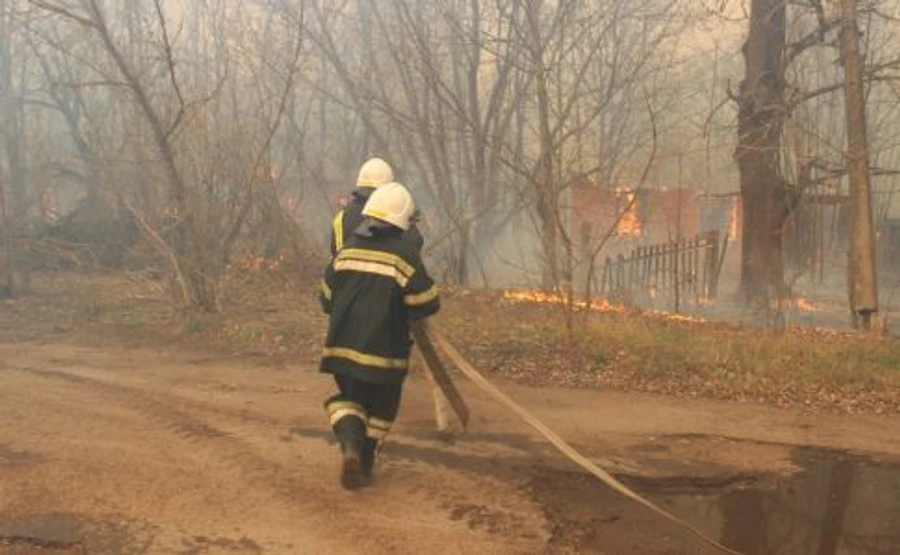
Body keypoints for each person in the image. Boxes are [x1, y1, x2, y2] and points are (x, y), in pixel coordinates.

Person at [319, 182, 440, 489]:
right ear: (402, 220)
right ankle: (365, 459)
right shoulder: (404, 256)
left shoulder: (346, 251)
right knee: (383, 407)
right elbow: (426, 302)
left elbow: (325, 298)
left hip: (342, 350)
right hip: (385, 355)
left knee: (348, 401)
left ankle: (350, 448)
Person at [330, 157, 424, 257]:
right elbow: (412, 247)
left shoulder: (342, 217)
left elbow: (335, 253)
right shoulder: (392, 216)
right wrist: (410, 226)